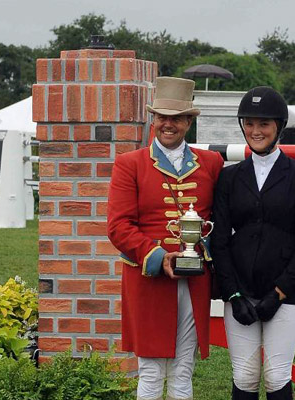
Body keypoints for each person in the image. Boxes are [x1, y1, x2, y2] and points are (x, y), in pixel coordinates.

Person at [107, 77, 224, 400]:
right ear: (153, 120)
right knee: (150, 370)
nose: (168, 125)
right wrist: (160, 257)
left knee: (183, 370)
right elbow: (119, 226)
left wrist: (205, 253)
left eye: (176, 118)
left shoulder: (212, 164)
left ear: (189, 121)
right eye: (162, 117)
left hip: (194, 280)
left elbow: (219, 221)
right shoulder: (129, 164)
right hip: (148, 278)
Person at [211, 87, 295, 400]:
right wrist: (232, 291)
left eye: (264, 125)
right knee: (244, 376)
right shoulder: (229, 177)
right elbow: (219, 239)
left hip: (285, 292)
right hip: (240, 290)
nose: (255, 131)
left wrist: (279, 291)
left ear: (279, 128)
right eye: (249, 124)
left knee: (276, 375)